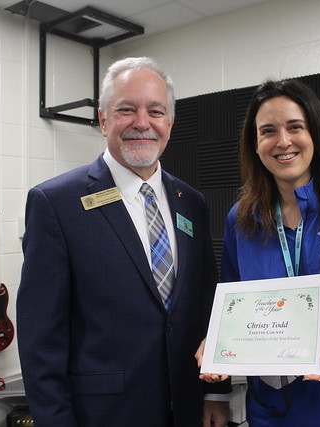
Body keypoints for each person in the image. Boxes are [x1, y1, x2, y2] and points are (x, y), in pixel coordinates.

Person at [17, 57, 230, 427]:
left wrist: (215, 392)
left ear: (170, 123)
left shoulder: (191, 202)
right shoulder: (56, 203)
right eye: (126, 109)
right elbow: (41, 338)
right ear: (103, 120)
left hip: (186, 407)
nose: (142, 123)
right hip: (102, 415)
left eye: (155, 111)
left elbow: (205, 304)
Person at [198, 79, 320, 426]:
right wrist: (218, 344)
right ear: (255, 144)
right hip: (275, 410)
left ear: (316, 135)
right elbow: (230, 303)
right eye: (268, 131)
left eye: (295, 127)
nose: (283, 142)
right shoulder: (241, 219)